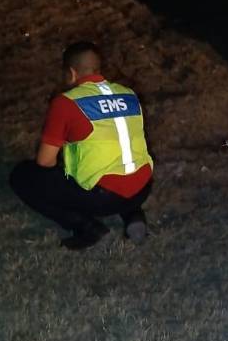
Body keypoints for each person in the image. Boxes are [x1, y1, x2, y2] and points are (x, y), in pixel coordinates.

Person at [10, 41, 153, 250]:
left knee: (23, 175)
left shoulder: (66, 102)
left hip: (103, 198)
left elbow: (45, 161)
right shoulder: (129, 93)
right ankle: (133, 215)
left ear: (71, 73)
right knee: (120, 162)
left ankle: (87, 227)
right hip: (142, 188)